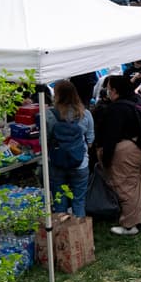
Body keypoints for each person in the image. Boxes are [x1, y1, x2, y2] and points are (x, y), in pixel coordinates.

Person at [98, 75, 141, 236]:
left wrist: (106, 159)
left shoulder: (116, 109)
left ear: (114, 90)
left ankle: (130, 225)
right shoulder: (137, 102)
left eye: (109, 89)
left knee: (126, 186)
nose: (107, 92)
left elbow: (110, 137)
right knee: (140, 181)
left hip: (126, 152)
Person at [46, 80, 95, 217]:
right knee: (79, 200)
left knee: (59, 200)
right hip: (80, 162)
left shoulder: (50, 115)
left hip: (57, 163)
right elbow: (90, 141)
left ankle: (61, 235)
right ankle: (78, 235)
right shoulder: (85, 114)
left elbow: (44, 140)